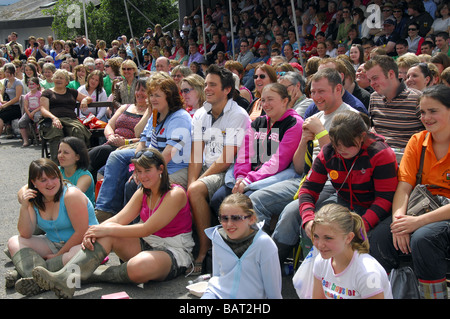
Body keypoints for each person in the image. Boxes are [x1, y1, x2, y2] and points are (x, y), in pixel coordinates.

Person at [32, 149, 195, 299]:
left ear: (161, 169)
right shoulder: (143, 190)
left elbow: (147, 228)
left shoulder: (175, 193)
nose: (142, 176)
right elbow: (119, 219)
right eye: (138, 171)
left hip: (174, 249)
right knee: (106, 231)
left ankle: (85, 275)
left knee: (137, 267)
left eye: (147, 170)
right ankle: (64, 277)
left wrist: (103, 230)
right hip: (147, 242)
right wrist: (95, 230)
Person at [370, 85, 450, 299]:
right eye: (422, 112)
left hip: (443, 214)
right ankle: (382, 294)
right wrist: (398, 222)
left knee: (423, 238)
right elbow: (404, 187)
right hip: (421, 207)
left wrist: (416, 223)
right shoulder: (417, 141)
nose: (426, 117)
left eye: (433, 111)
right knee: (379, 238)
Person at [95, 74, 192, 222]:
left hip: (173, 167)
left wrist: (141, 172)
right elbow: (143, 140)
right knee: (116, 157)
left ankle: (135, 226)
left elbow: (167, 154)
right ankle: (105, 210)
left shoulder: (179, 117)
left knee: (134, 183)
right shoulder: (155, 114)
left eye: (157, 95)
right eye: (151, 95)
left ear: (169, 96)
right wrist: (137, 167)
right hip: (152, 159)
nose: (152, 99)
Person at [187, 65, 250, 276]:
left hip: (228, 171)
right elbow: (196, 153)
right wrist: (191, 181)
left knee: (195, 190)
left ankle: (204, 251)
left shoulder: (238, 115)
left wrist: (196, 184)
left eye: (213, 85)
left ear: (227, 90)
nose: (207, 89)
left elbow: (226, 159)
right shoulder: (200, 113)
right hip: (206, 166)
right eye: (206, 84)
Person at [6, 158, 98, 296]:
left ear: (59, 177)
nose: (50, 183)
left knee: (72, 256)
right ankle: (41, 279)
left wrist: (57, 256)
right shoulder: (34, 199)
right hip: (53, 242)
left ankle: (31, 275)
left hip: (83, 243)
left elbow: (81, 232)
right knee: (14, 242)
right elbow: (25, 233)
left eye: (53, 178)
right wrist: (25, 206)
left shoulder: (71, 195)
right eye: (43, 180)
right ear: (33, 183)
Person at [210, 83, 303, 212]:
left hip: (274, 178)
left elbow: (278, 161)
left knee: (244, 205)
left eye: (270, 100)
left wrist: (249, 180)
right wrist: (241, 177)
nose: (265, 104)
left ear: (284, 101)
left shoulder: (294, 123)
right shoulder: (258, 122)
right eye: (263, 100)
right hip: (248, 176)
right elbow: (244, 153)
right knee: (218, 199)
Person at [202, 193, 282, 299]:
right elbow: (217, 274)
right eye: (224, 218)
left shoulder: (264, 243)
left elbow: (274, 293)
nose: (229, 224)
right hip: (216, 294)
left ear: (252, 219)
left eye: (236, 218)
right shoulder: (217, 236)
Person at [311, 204, 393, 299]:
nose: (320, 245)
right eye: (316, 236)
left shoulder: (368, 273)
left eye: (328, 238)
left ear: (348, 238)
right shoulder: (320, 261)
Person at [88, 79, 148, 183]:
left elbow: (145, 137)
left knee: (96, 154)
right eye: (137, 89)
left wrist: (124, 142)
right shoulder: (126, 107)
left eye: (143, 90)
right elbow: (109, 125)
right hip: (112, 142)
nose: (139, 93)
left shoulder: (150, 113)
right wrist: (111, 136)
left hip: (128, 146)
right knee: (91, 157)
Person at [364, 55, 424, 150]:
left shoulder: (418, 98)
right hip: (379, 157)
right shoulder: (374, 97)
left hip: (407, 159)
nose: (372, 83)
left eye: (375, 78)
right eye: (370, 80)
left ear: (391, 74)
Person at [39, 69, 93, 163]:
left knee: (77, 131)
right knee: (56, 130)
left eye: (61, 78)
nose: (58, 80)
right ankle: (57, 163)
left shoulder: (71, 92)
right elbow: (43, 110)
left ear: (67, 82)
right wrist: (54, 118)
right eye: (56, 77)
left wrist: (84, 100)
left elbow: (88, 98)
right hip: (52, 119)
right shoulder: (47, 93)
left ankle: (79, 162)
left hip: (70, 120)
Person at [58, 136, 95, 206]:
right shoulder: (57, 171)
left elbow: (73, 198)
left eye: (66, 153)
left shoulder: (85, 177)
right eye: (59, 152)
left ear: (77, 157)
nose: (60, 155)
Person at [0, 63, 23, 140]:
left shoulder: (18, 82)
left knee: (1, 117)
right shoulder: (6, 81)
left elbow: (17, 98)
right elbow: (1, 93)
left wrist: (5, 105)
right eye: (6, 72)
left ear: (13, 72)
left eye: (10, 72)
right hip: (9, 105)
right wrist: (2, 101)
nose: (8, 74)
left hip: (17, 106)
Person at [18, 77, 41, 148]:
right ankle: (26, 140)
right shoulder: (27, 95)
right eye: (29, 84)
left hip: (38, 110)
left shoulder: (40, 94)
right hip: (29, 111)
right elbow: (25, 106)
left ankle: (40, 135)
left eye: (32, 84)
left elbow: (41, 105)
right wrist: (29, 113)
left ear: (37, 85)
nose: (31, 86)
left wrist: (33, 112)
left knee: (38, 118)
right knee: (21, 122)